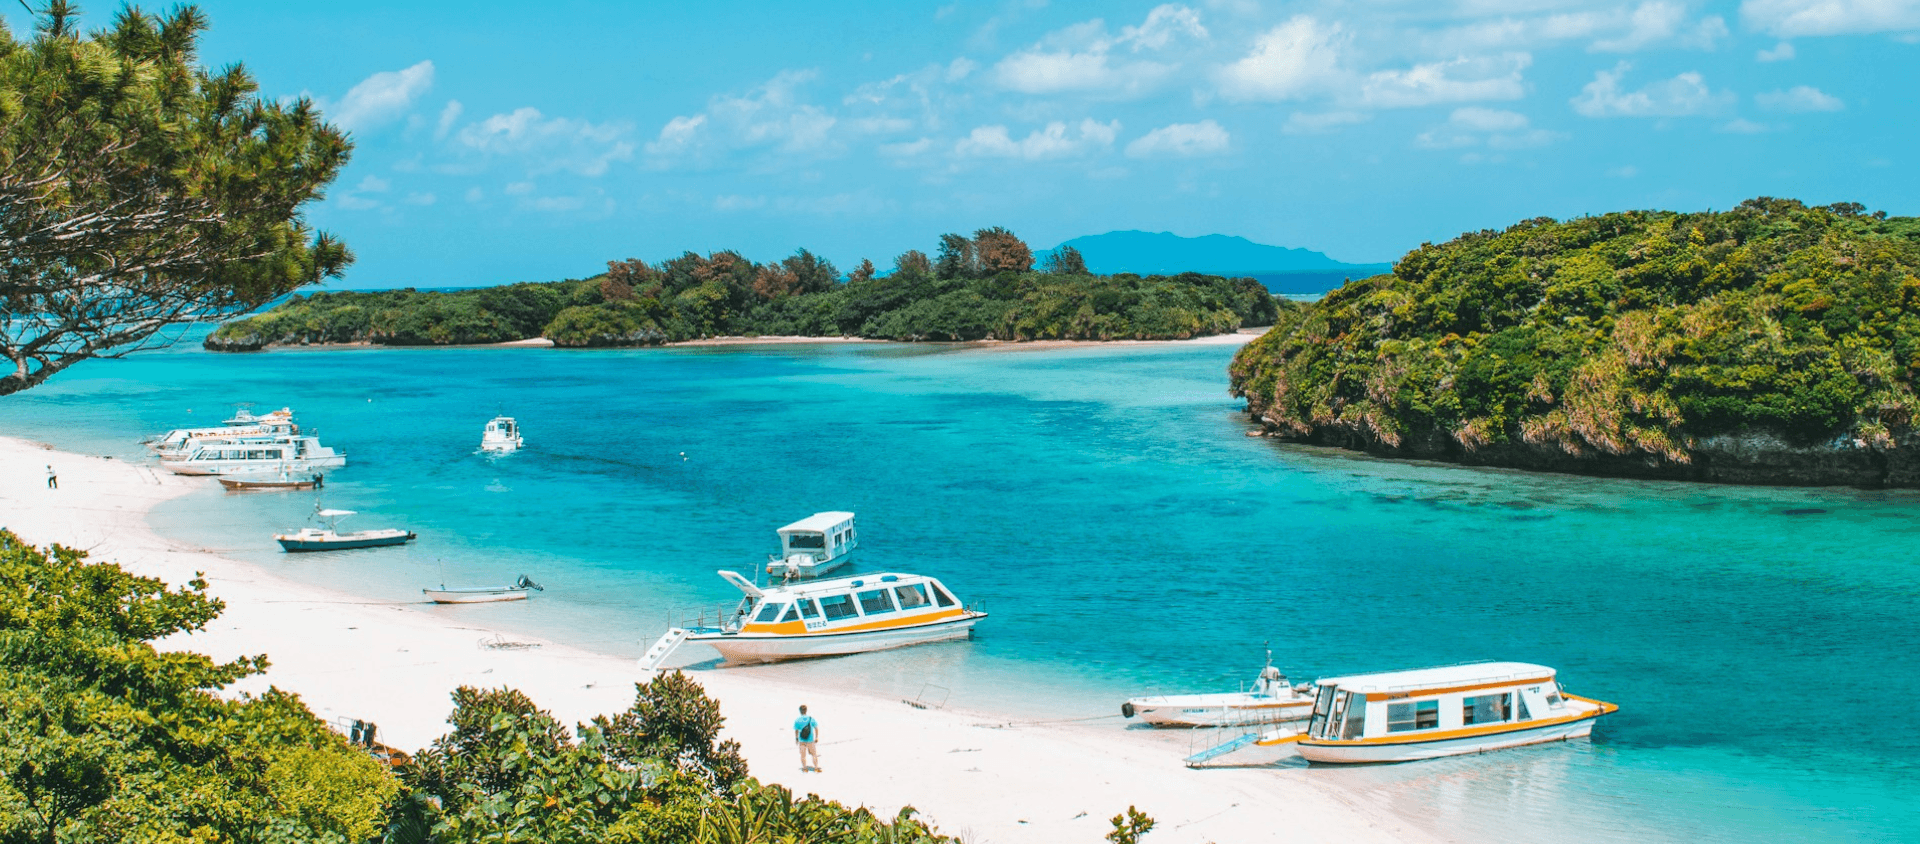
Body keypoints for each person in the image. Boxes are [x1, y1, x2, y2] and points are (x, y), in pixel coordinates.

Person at [794, 704, 820, 772]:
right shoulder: (811, 719)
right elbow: (816, 728)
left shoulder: (797, 720)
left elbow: (796, 730)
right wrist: (816, 737)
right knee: (814, 754)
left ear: (800, 711)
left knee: (803, 755)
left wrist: (796, 738)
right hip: (810, 739)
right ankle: (816, 767)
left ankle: (805, 768)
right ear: (806, 710)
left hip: (802, 739)